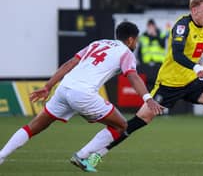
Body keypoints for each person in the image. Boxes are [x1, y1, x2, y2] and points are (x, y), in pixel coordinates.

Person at [85, 0, 203, 168]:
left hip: (191, 82)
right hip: (169, 84)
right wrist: (197, 67)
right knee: (138, 122)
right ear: (194, 10)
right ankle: (95, 155)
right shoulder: (182, 26)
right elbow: (178, 54)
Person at [0, 21, 163, 172]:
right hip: (83, 94)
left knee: (34, 126)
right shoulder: (126, 53)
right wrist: (147, 98)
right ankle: (82, 156)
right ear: (130, 40)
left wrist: (48, 86)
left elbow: (70, 63)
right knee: (121, 126)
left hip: (64, 88)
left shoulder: (97, 43)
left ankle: (1, 155)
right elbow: (132, 76)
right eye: (136, 40)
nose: (136, 44)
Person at [137, 19, 167, 91]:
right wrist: (142, 63)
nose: (150, 28)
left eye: (152, 26)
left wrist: (154, 35)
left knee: (158, 86)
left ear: (155, 26)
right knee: (147, 86)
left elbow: (163, 45)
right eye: (149, 27)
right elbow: (139, 52)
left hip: (158, 65)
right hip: (147, 66)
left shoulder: (161, 34)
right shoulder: (143, 37)